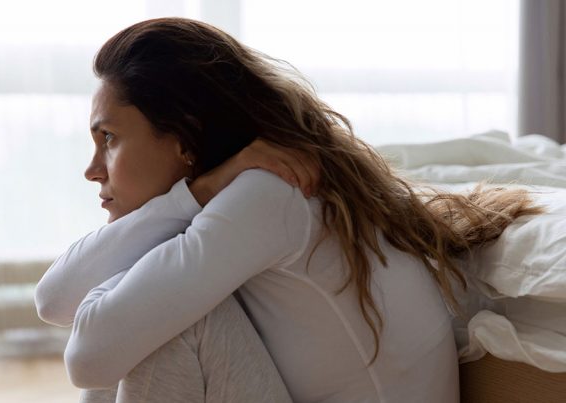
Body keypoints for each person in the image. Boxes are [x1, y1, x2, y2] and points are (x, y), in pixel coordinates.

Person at [35, 17, 541, 403]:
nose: (93, 170)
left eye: (109, 138)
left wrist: (193, 199)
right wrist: (195, 193)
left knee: (162, 324)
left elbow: (88, 359)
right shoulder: (235, 194)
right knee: (141, 307)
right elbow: (54, 300)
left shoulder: (268, 194)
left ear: (184, 136)